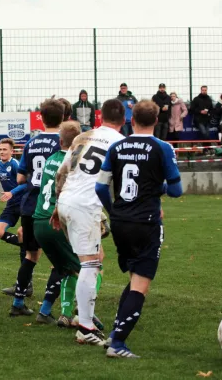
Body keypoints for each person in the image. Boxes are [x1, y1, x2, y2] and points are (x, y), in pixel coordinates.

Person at [95, 100, 183, 358]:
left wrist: (113, 212)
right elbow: (176, 190)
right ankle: (118, 343)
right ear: (156, 121)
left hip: (121, 221)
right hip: (146, 222)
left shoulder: (116, 146)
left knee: (134, 277)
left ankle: (114, 333)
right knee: (140, 285)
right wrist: (159, 188)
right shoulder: (162, 147)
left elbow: (100, 187)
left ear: (132, 120)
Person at [51, 99, 126, 344]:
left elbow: (61, 172)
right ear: (123, 120)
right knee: (90, 264)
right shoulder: (119, 142)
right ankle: (84, 327)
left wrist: (56, 206)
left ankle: (86, 318)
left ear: (99, 117)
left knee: (96, 259)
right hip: (85, 206)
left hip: (67, 200)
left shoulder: (82, 137)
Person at [3, 99, 64, 317]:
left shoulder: (31, 143)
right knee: (61, 260)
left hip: (29, 206)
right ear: (64, 117)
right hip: (53, 206)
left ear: (41, 117)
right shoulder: (64, 142)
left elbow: (20, 177)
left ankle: (18, 302)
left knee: (30, 255)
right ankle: (46, 309)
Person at [30, 121, 84, 327]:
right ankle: (86, 315)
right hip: (57, 221)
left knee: (66, 270)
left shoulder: (51, 158)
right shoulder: (76, 160)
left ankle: (61, 314)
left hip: (39, 223)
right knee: (90, 267)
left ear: (59, 140)